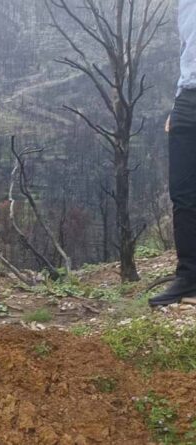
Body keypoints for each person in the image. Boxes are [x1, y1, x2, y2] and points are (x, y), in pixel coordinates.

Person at [149, 0, 196, 306]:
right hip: (188, 97)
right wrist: (179, 99)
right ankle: (190, 277)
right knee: (183, 193)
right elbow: (187, 50)